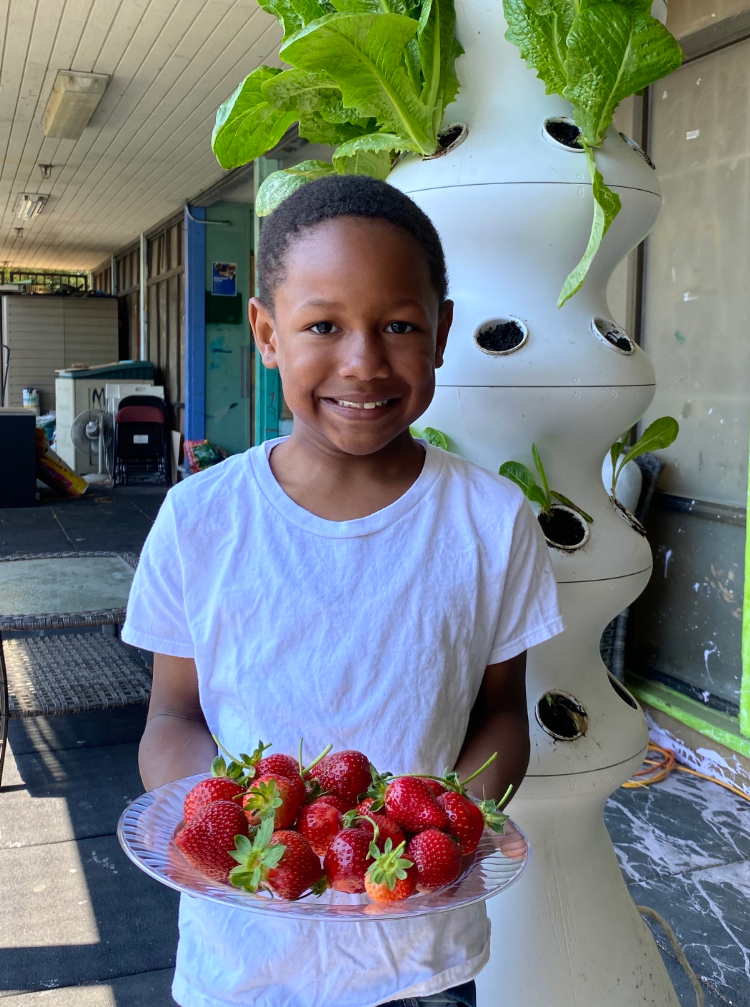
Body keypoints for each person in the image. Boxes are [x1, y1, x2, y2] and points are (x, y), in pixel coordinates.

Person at [123, 174, 563, 1007]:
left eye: (399, 325)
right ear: (265, 332)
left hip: (421, 951)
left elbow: (504, 711)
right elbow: (173, 717)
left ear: (441, 335)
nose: (363, 361)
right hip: (243, 957)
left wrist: (441, 823)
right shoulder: (201, 520)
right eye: (322, 325)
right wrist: (241, 825)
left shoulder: (490, 520)